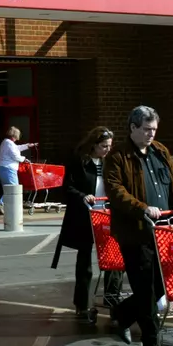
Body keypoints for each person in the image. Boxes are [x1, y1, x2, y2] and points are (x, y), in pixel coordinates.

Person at [104, 105, 173, 346]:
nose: (151, 134)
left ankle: (122, 314)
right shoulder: (118, 157)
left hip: (166, 231)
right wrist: (143, 208)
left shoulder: (160, 152)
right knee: (146, 289)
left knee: (162, 287)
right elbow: (116, 192)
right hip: (136, 233)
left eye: (154, 129)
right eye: (146, 129)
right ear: (133, 128)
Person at [50, 126, 121, 319]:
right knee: (85, 261)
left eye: (109, 146)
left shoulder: (111, 163)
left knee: (114, 259)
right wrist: (83, 196)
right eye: (104, 146)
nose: (107, 149)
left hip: (106, 214)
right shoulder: (80, 161)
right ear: (94, 144)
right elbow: (68, 188)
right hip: (85, 216)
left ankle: (112, 298)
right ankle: (82, 304)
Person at [0, 126, 36, 214]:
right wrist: (24, 159)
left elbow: (16, 148)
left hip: (2, 167)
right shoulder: (9, 143)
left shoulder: (6, 142)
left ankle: (6, 205)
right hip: (8, 168)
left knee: (8, 188)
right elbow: (15, 156)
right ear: (15, 135)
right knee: (14, 188)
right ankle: (1, 203)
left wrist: (28, 146)